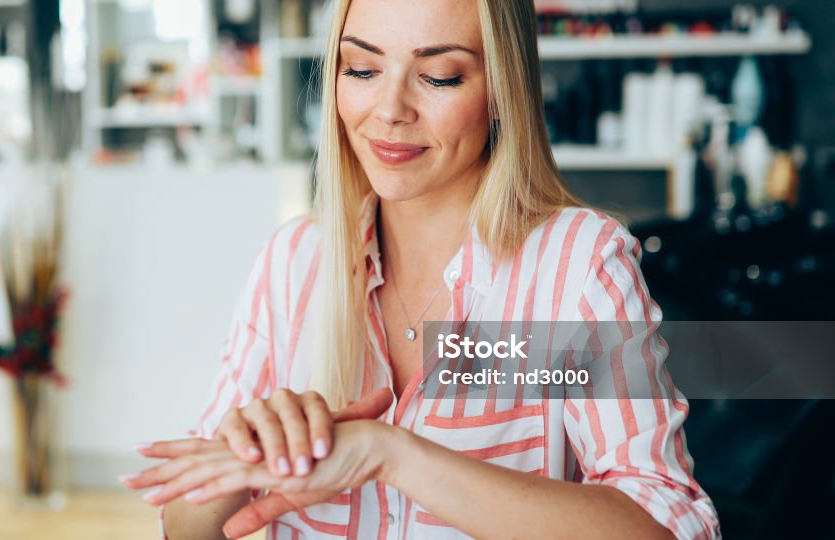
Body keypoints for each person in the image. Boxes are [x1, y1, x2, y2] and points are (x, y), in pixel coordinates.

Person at [121, 0, 721, 538]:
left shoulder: (577, 265)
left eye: (439, 76)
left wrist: (394, 455)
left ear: (501, 91)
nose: (389, 110)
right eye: (361, 69)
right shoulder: (292, 262)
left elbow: (672, 525)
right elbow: (185, 525)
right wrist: (236, 458)